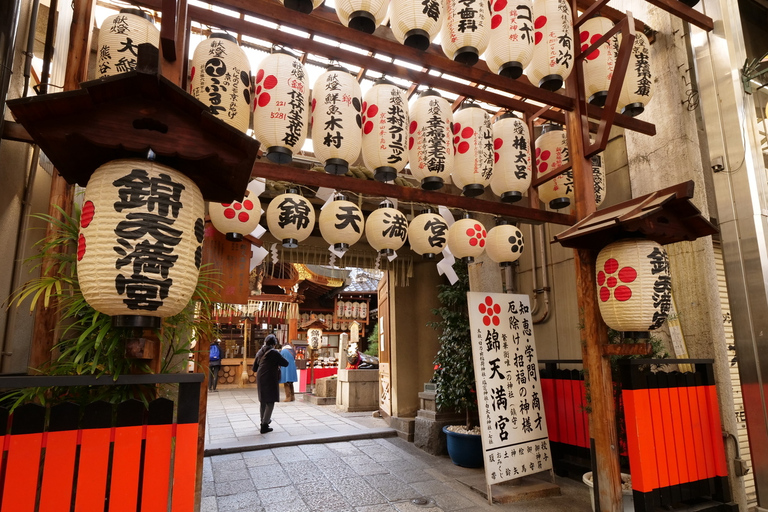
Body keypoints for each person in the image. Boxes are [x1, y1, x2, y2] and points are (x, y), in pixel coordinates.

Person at [252, 334, 288, 433]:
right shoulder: (274, 352)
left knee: (263, 400)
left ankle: (262, 421)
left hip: (260, 378)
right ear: (274, 344)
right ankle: (265, 425)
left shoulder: (259, 352)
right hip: (270, 378)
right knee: (270, 402)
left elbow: (254, 368)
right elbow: (285, 363)